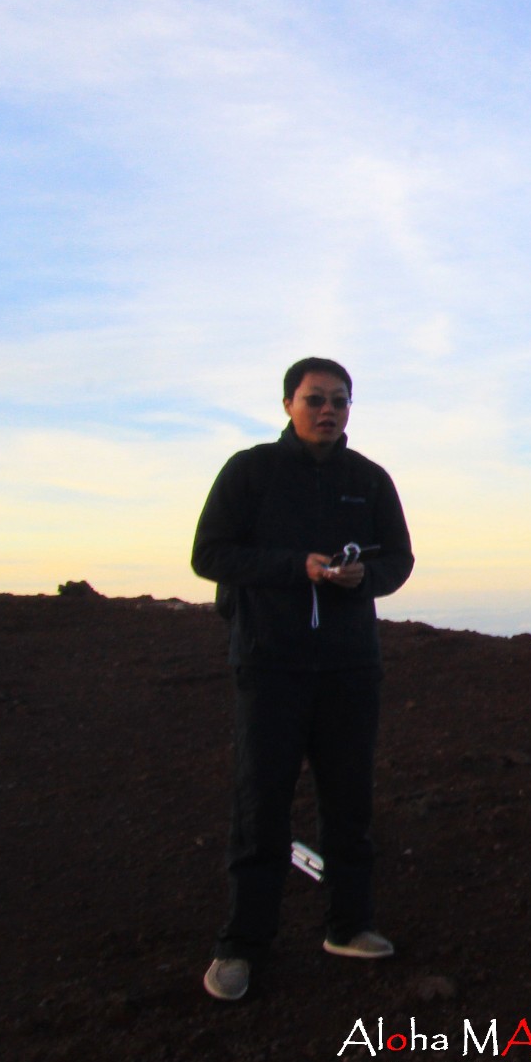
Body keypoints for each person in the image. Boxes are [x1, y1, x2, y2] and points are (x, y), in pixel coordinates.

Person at [191, 357, 414, 1001]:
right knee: (261, 801)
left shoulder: (368, 480)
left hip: (349, 664)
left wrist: (360, 578)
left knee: (349, 799)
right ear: (288, 403)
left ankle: (348, 924)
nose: (328, 410)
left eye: (340, 401)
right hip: (271, 662)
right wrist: (299, 567)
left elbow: (398, 559)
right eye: (315, 399)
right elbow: (210, 553)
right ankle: (241, 944)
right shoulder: (250, 471)